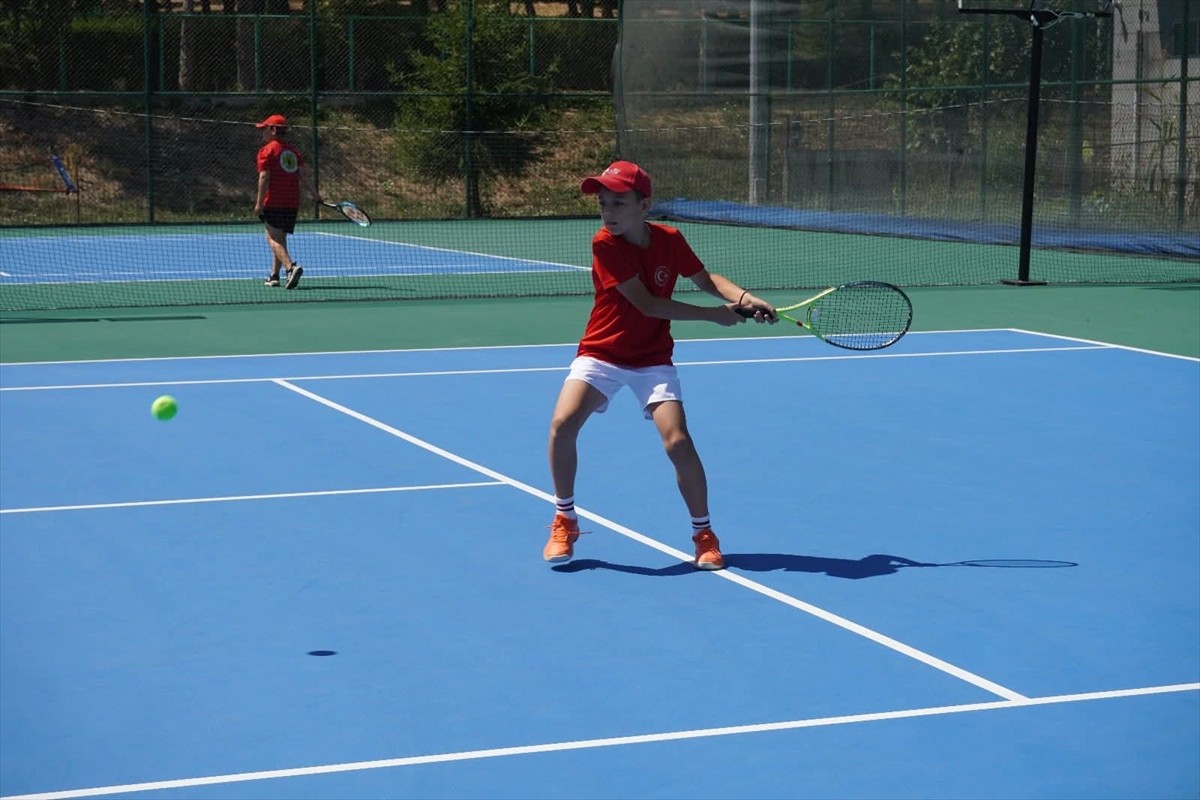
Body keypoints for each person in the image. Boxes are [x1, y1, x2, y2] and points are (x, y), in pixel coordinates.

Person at [544, 160, 776, 571]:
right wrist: (712, 316)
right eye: (603, 203)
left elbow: (706, 280)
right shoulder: (605, 245)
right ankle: (565, 518)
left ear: (643, 205)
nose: (608, 212)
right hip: (603, 353)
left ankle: (704, 534)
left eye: (618, 202)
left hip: (652, 359)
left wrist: (742, 298)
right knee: (563, 424)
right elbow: (649, 305)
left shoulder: (670, 239)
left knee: (679, 442)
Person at [253, 114, 320, 289]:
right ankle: (274, 276)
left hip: (274, 201)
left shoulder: (266, 151)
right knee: (280, 238)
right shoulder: (293, 152)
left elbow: (264, 177)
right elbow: (302, 175)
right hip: (292, 203)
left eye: (265, 129)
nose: (262, 133)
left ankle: (291, 268)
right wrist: (314, 193)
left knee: (271, 238)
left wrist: (259, 204)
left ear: (273, 130)